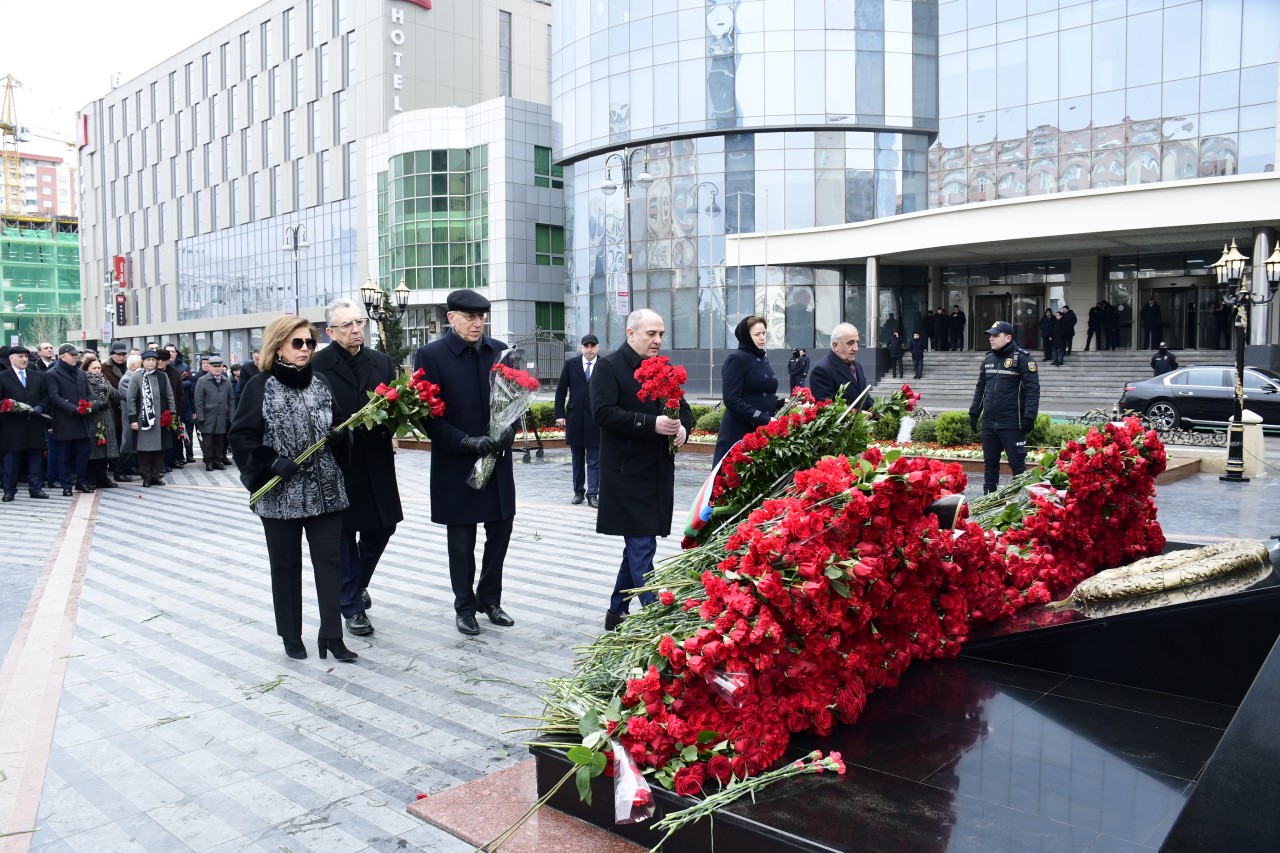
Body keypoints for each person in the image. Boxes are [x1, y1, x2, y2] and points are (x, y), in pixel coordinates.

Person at [229, 315, 356, 663]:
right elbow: (241, 437)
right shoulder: (260, 385)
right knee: (285, 566)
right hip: (280, 497)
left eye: (310, 343)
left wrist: (341, 436)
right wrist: (270, 461)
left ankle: (332, 634)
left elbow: (341, 425)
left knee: (330, 564)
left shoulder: (322, 383)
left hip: (326, 492)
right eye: (297, 343)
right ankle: (290, 633)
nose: (305, 350)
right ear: (279, 346)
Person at [413, 290, 518, 636]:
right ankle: (465, 606)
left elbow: (515, 399)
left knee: (500, 533)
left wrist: (509, 429)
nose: (477, 324)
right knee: (462, 542)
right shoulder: (430, 355)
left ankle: (490, 599)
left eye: (482, 317)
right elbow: (428, 416)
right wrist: (466, 442)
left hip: (496, 462)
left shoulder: (498, 351)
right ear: (451, 318)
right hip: (456, 465)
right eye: (470, 317)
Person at [592, 309, 692, 631]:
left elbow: (684, 409)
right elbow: (603, 413)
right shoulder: (608, 367)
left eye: (661, 334)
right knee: (642, 545)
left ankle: (616, 612)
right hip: (625, 475)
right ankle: (656, 620)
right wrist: (652, 424)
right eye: (651, 334)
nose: (658, 340)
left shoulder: (663, 368)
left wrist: (682, 430)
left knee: (638, 545)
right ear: (631, 333)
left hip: (657, 472)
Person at [312, 299, 403, 638]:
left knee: (384, 527)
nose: (356, 330)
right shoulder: (319, 364)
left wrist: (389, 426)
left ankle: (355, 584)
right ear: (331, 331)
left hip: (376, 458)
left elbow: (394, 405)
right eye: (347, 325)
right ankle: (350, 606)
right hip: (340, 462)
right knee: (344, 535)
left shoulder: (381, 361)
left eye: (359, 323)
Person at [969, 321, 1040, 494]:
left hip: (1012, 422)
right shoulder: (988, 359)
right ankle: (988, 498)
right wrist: (974, 412)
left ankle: (1020, 503)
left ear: (1008, 338)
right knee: (990, 463)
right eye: (990, 335)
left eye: (995, 335)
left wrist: (1030, 416)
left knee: (1017, 465)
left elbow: (1033, 389)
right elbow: (981, 387)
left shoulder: (1023, 359)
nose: (991, 339)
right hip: (990, 422)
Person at [713, 315, 780, 466]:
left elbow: (761, 396)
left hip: (759, 432)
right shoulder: (736, 359)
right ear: (746, 336)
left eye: (764, 333)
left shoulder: (763, 359)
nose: (762, 338)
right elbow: (731, 399)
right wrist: (763, 418)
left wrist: (783, 402)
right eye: (757, 334)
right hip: (739, 432)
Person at [45, 343, 102, 496]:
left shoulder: (81, 373)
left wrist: (89, 405)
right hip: (65, 420)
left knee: (83, 453)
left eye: (77, 355)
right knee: (64, 455)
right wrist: (73, 409)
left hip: (82, 420)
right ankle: (66, 485)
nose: (76, 357)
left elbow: (88, 394)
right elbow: (54, 397)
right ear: (63, 356)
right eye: (72, 355)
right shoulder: (52, 373)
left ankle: (81, 482)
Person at [554, 333, 602, 507]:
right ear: (581, 348)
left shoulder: (604, 365)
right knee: (577, 458)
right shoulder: (570, 365)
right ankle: (578, 492)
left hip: (596, 419)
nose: (589, 349)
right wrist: (559, 414)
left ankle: (593, 494)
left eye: (592, 346)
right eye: (586, 346)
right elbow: (561, 391)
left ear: (598, 347)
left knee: (595, 460)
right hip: (575, 419)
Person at [0, 345, 50, 501]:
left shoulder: (37, 376)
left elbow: (45, 396)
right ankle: (9, 490)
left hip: (34, 422)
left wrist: (40, 406)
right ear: (11, 358)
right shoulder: (3, 377)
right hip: (12, 425)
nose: (24, 359)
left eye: (26, 357)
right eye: (20, 356)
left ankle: (36, 488)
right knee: (12, 459)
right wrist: (10, 406)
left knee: (35, 456)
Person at [126, 350, 176, 487]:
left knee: (159, 449)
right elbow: (130, 399)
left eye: (154, 360)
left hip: (160, 419)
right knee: (144, 450)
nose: (151, 362)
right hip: (143, 420)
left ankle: (156, 476)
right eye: (148, 360)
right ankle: (146, 476)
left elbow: (170, 396)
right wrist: (133, 419)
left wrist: (172, 414)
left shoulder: (162, 376)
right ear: (143, 362)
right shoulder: (137, 377)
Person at [82, 355, 121, 490]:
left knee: (104, 451)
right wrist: (96, 405)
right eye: (94, 368)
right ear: (87, 369)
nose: (97, 370)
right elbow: (83, 401)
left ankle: (103, 478)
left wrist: (107, 389)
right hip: (92, 420)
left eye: (99, 368)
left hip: (106, 419)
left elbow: (118, 397)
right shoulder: (83, 381)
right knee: (92, 451)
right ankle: (91, 478)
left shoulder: (105, 381)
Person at [808, 323, 870, 408]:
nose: (856, 348)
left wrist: (878, 411)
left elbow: (864, 396)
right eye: (850, 343)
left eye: (857, 342)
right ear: (835, 345)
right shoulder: (822, 370)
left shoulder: (857, 365)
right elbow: (827, 409)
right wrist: (859, 415)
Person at [193, 356, 235, 470]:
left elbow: (231, 399)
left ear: (222, 367)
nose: (217, 369)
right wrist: (200, 416)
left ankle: (218, 460)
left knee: (220, 441)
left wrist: (231, 416)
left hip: (222, 416)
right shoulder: (202, 380)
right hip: (207, 416)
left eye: (219, 366)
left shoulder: (227, 381)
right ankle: (209, 462)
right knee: (208, 441)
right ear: (210, 367)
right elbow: (198, 400)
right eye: (215, 366)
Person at [156, 349, 187, 470]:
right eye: (158, 360)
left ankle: (171, 460)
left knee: (172, 438)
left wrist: (179, 412)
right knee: (160, 438)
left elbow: (180, 393)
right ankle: (161, 463)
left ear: (168, 361)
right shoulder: (153, 373)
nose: (160, 362)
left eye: (163, 360)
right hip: (158, 409)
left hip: (172, 409)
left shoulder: (174, 372)